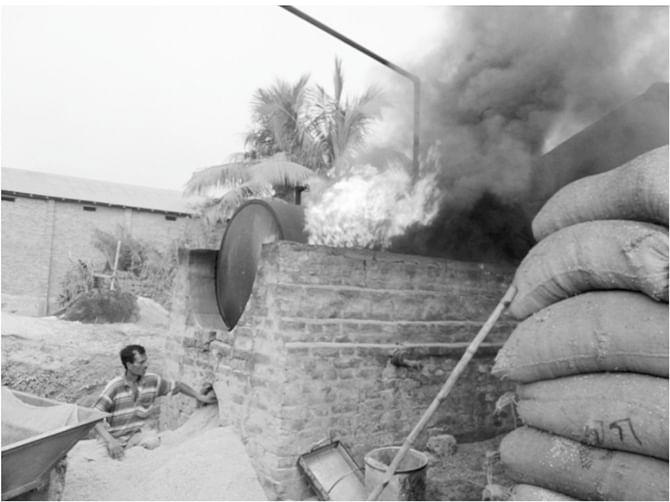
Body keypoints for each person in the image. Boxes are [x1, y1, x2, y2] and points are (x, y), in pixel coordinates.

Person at [93, 344, 216, 459]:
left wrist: (201, 397)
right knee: (95, 458)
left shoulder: (152, 380)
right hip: (115, 437)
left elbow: (178, 386)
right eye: (141, 362)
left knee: (152, 442)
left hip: (138, 436)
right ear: (129, 365)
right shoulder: (114, 387)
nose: (146, 365)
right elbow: (93, 416)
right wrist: (110, 441)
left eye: (146, 360)